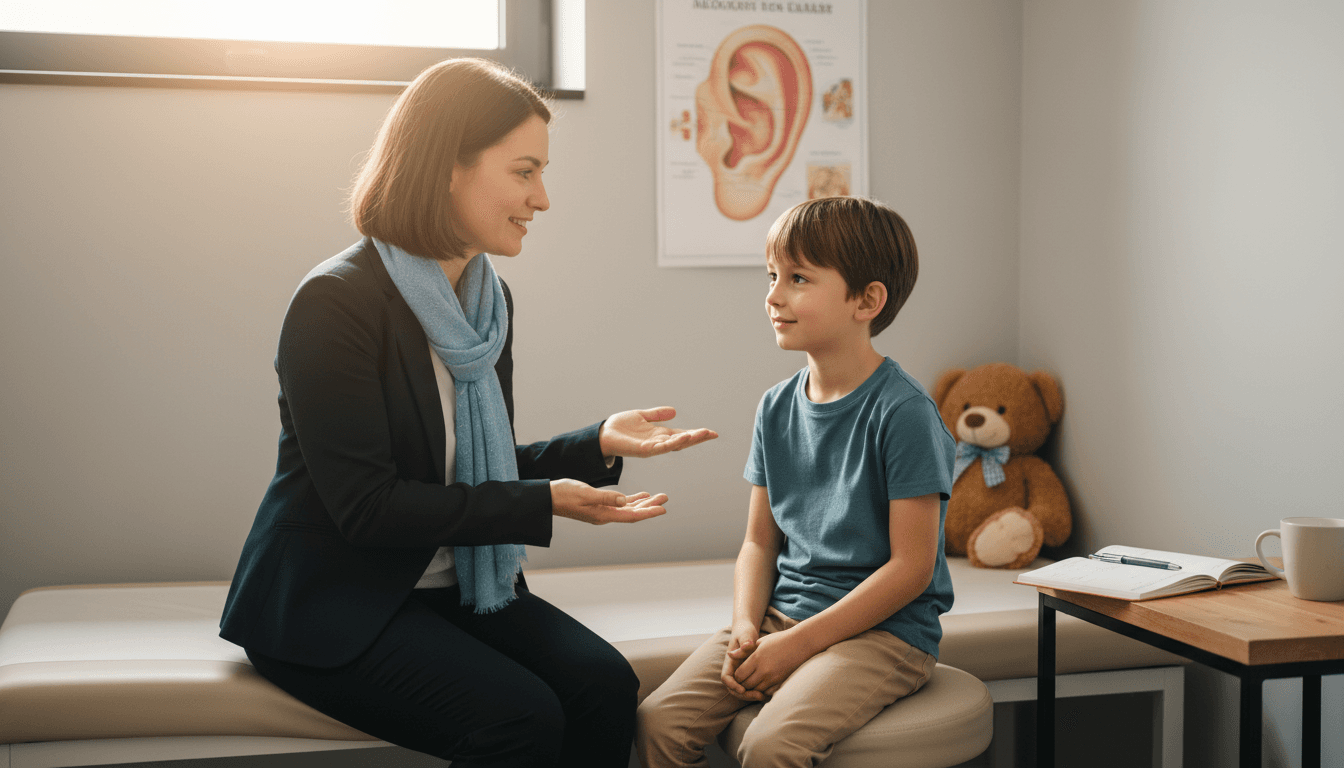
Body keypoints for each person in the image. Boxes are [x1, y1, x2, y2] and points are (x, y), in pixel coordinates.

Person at [219, 58, 717, 768]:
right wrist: (542, 504)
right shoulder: (335, 304)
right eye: (524, 171)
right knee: (521, 720)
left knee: (606, 686)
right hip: (335, 604)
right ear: (448, 166)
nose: (541, 197)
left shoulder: (484, 303)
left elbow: (470, 470)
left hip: (453, 587)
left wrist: (594, 443)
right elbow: (369, 508)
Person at [634, 196, 956, 768]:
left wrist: (800, 646)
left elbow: (911, 569)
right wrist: (744, 627)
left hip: (885, 634)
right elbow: (760, 542)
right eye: (773, 276)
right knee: (658, 721)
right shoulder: (775, 407)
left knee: (771, 743)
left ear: (867, 300)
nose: (773, 296)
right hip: (783, 615)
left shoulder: (903, 413)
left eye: (799, 278)